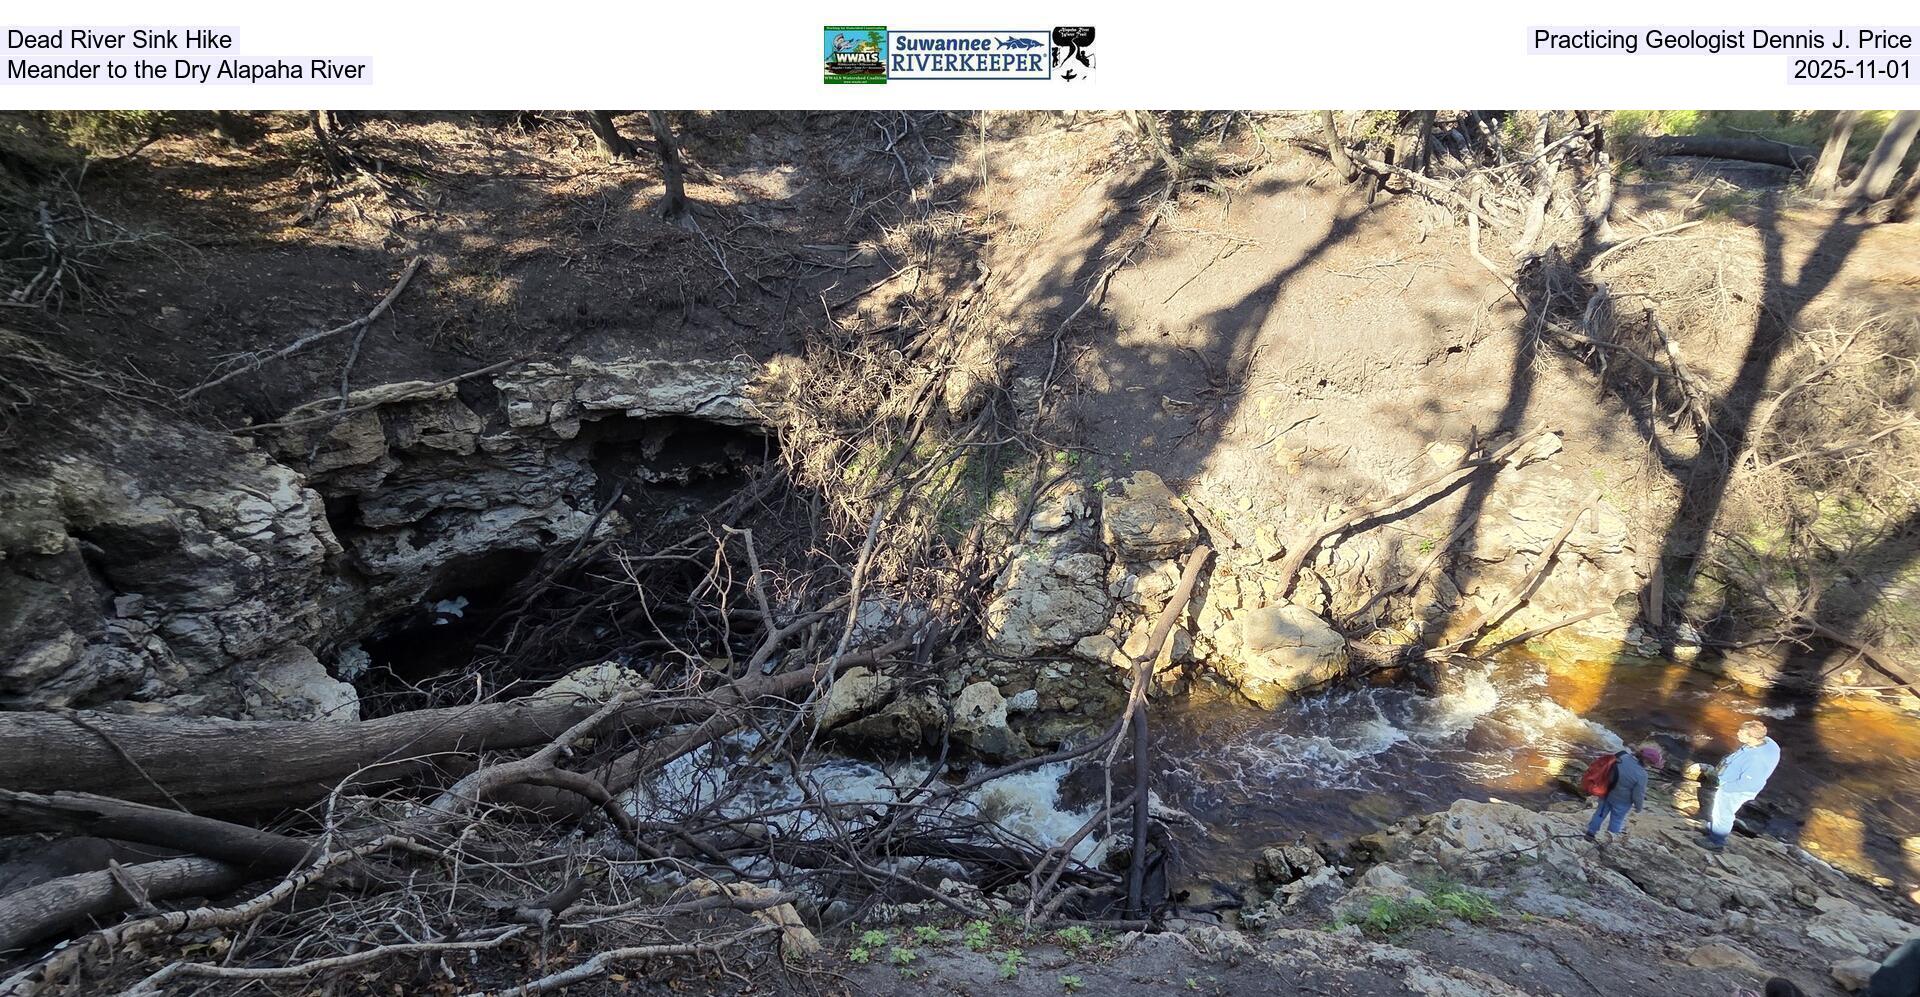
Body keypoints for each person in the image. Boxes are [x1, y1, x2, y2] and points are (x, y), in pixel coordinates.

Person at [1704, 720, 1780, 851]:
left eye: (1742, 733)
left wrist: (1725, 788)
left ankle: (1716, 841)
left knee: (1724, 814)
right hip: (1731, 784)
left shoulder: (1756, 759)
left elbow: (1749, 783)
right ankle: (1713, 828)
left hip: (1734, 790)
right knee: (1718, 811)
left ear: (1753, 737)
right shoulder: (1768, 743)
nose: (1738, 733)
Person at [1585, 742, 1664, 841]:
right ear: (1646, 761)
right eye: (1651, 764)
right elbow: (1638, 794)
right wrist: (1638, 807)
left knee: (1599, 814)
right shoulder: (1642, 775)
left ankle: (1590, 833)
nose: (1650, 766)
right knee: (1616, 820)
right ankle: (1609, 840)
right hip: (1622, 801)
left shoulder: (1622, 756)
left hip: (1607, 792)